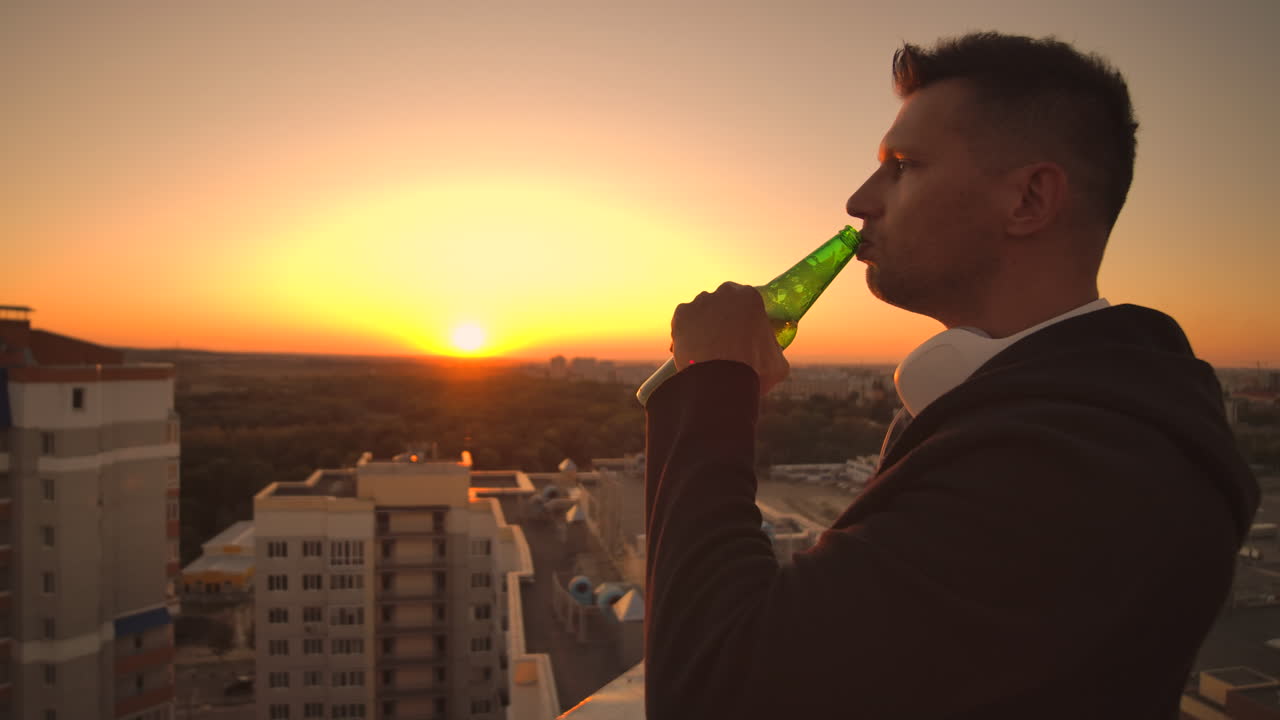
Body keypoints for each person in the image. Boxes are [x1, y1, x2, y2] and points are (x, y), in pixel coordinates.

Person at [643, 32, 1258, 719]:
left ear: (1028, 200)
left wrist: (713, 387)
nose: (857, 200)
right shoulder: (1088, 416)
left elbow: (715, 688)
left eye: (902, 166)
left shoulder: (1065, 466)